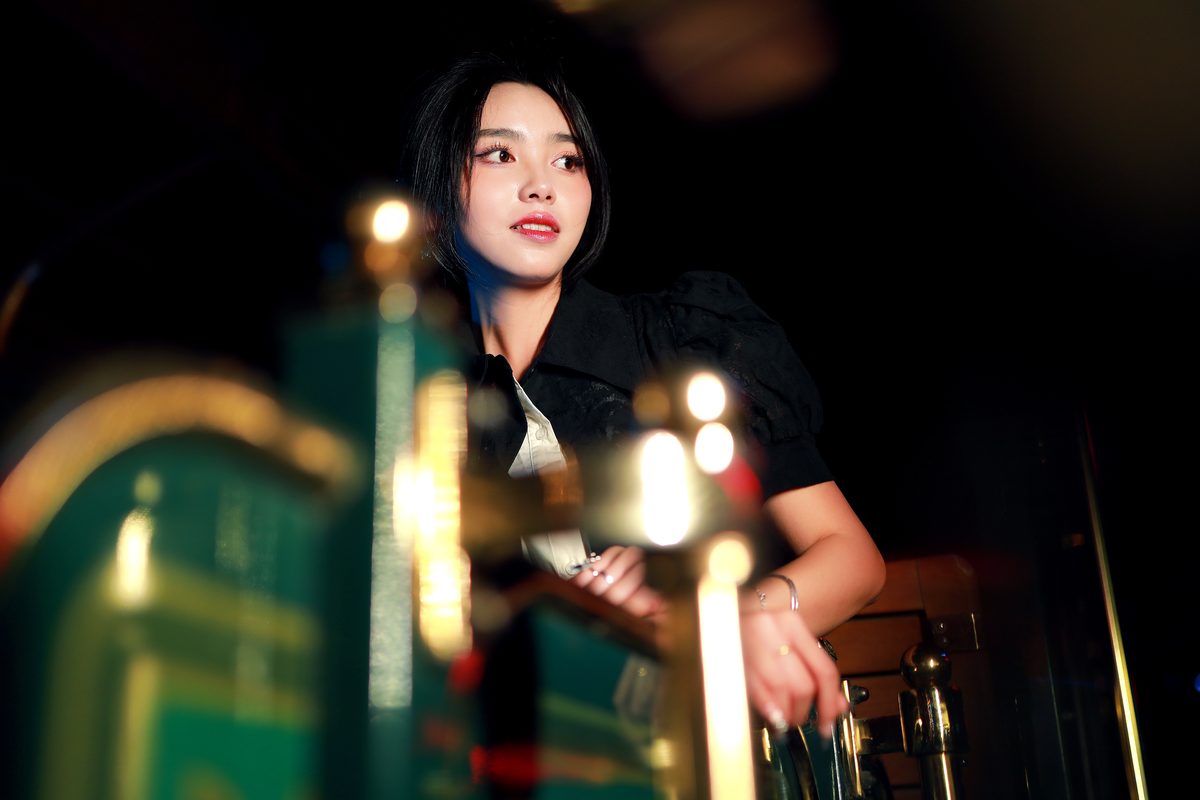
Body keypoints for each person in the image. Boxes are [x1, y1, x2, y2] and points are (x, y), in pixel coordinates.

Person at [401, 50, 886, 741]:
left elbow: (852, 558)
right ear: (438, 190)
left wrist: (717, 614)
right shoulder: (425, 412)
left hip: (717, 745)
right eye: (500, 155)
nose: (542, 186)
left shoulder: (680, 340)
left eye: (567, 161)